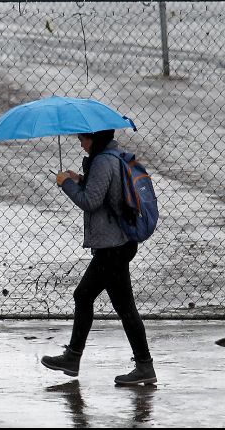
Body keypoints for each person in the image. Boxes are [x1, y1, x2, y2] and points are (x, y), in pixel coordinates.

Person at [41, 129, 156, 386]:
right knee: (122, 306)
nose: (81, 144)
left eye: (83, 139)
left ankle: (74, 357)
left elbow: (91, 202)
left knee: (87, 296)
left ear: (95, 138)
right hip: (116, 244)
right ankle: (143, 365)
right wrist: (80, 178)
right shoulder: (110, 156)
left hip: (112, 246)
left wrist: (66, 184)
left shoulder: (104, 161)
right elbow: (105, 192)